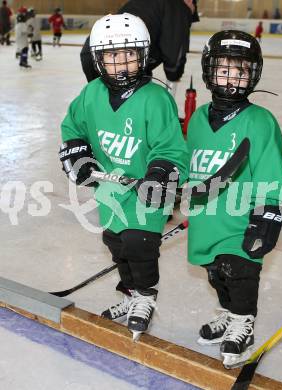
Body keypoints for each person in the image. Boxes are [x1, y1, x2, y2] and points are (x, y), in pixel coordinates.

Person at [59, 14, 188, 340]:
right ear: (99, 60)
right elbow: (73, 127)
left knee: (139, 244)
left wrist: (160, 173)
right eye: (112, 55)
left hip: (145, 192)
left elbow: (172, 149)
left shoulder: (156, 99)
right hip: (111, 190)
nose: (121, 64)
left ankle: (145, 295)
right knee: (116, 243)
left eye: (128, 54)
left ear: (143, 55)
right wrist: (77, 152)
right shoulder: (91, 94)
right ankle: (131, 293)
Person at [186, 30, 282, 367]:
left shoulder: (260, 121)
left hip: (240, 220)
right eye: (225, 69)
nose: (232, 78)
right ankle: (230, 313)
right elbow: (188, 164)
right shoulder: (198, 119)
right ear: (209, 71)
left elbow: (270, 171)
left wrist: (268, 212)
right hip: (207, 219)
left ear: (253, 74)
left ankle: (243, 322)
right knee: (216, 272)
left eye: (241, 70)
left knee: (239, 270)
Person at [80, 0, 199, 84]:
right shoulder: (178, 6)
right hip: (121, 62)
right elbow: (174, 49)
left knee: (106, 108)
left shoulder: (146, 4)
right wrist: (174, 73)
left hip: (94, 55)